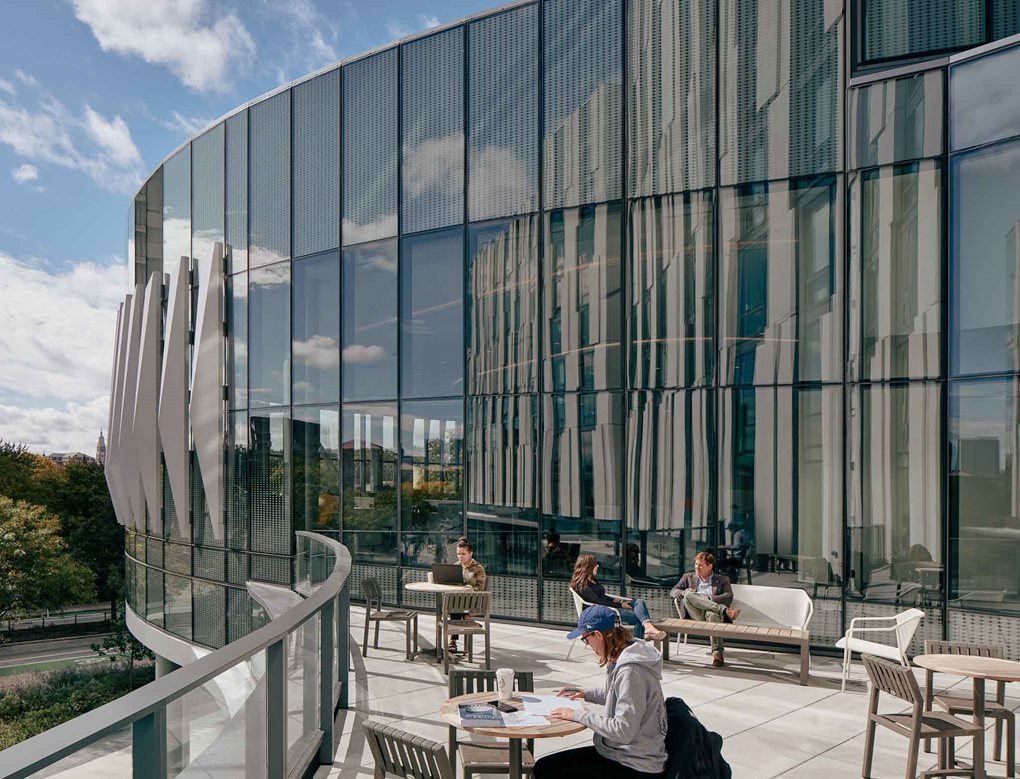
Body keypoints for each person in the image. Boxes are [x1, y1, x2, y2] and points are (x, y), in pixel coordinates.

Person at [533, 605, 668, 778]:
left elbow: (623, 731)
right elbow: (618, 694)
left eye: (585, 639)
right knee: (543, 766)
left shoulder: (632, 671)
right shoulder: (622, 656)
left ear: (597, 635)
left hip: (637, 764)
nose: (587, 645)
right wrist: (585, 693)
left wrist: (577, 714)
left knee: (549, 775)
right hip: (619, 753)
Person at [570, 553, 666, 641]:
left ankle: (648, 627)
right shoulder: (582, 585)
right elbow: (598, 602)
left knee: (639, 602)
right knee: (637, 618)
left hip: (608, 608)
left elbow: (602, 596)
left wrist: (614, 600)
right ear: (588, 567)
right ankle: (640, 641)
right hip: (601, 614)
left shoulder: (592, 580)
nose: (598, 566)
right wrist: (620, 605)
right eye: (595, 565)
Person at [669, 551, 740, 668]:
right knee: (688, 594)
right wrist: (683, 593)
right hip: (694, 613)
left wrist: (709, 598)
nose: (697, 567)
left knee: (713, 615)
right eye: (696, 564)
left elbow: (728, 597)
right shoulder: (688, 577)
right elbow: (673, 591)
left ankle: (717, 654)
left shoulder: (722, 579)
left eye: (701, 565)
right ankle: (724, 610)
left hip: (710, 614)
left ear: (710, 566)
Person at [448, 537, 486, 655]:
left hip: (473, 600)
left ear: (470, 553)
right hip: (458, 601)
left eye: (463, 554)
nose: (460, 557)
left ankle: (453, 641)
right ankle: (466, 618)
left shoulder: (478, 568)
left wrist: (467, 591)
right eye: (458, 554)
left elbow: (480, 589)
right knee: (454, 605)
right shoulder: (456, 566)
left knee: (454, 608)